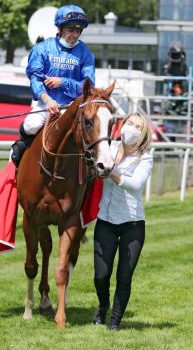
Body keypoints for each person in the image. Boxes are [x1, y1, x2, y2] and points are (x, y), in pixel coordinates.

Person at [11, 4, 95, 166]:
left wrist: (62, 82)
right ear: (60, 28)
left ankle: (91, 175)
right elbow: (35, 79)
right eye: (71, 30)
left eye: (78, 31)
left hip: (73, 107)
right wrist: (48, 100)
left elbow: (88, 87)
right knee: (31, 125)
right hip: (46, 103)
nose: (75, 35)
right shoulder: (42, 49)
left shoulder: (86, 53)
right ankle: (18, 152)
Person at [92, 112, 153, 331]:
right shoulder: (108, 148)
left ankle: (114, 322)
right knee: (101, 275)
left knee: (124, 277)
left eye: (138, 126)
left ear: (143, 133)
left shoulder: (144, 157)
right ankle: (103, 305)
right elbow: (95, 167)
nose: (132, 128)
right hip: (106, 221)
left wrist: (112, 171)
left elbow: (135, 184)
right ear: (122, 124)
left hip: (133, 225)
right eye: (130, 123)